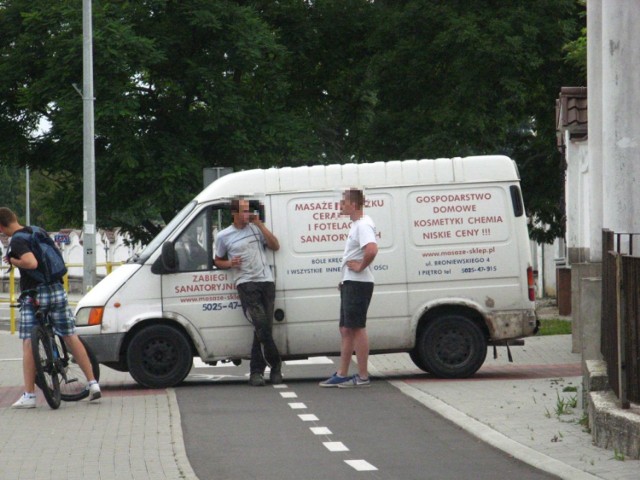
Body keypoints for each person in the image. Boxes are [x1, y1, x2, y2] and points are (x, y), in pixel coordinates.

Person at [0, 207, 101, 408]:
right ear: (15, 218)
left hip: (35, 294)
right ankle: (93, 384)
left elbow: (30, 262)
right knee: (69, 335)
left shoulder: (18, 240)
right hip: (56, 289)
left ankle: (29, 395)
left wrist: (13, 260)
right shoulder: (37, 231)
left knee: (29, 341)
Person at [214, 198, 283, 386]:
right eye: (243, 211)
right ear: (234, 213)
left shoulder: (255, 228)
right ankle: (275, 365)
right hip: (246, 283)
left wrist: (259, 224)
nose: (247, 215)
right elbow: (218, 260)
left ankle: (258, 372)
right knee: (260, 323)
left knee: (263, 328)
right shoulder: (224, 236)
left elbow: (275, 245)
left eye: (248, 211)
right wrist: (229, 263)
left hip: (266, 281)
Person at [320, 188, 378, 388]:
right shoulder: (357, 225)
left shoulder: (363, 225)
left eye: (343, 202)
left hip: (358, 283)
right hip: (351, 282)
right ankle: (342, 373)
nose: (340, 206)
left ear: (353, 205)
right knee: (345, 328)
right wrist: (345, 279)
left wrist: (360, 267)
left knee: (356, 327)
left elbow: (371, 249)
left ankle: (362, 375)